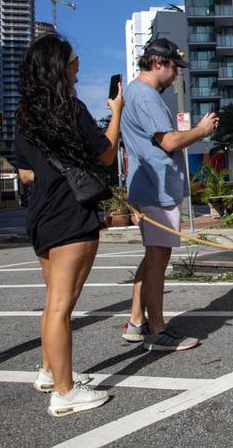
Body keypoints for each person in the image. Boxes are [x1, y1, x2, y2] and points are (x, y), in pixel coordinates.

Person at [15, 34, 123, 417]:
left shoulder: (26, 114)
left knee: (52, 303)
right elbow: (106, 154)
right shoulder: (71, 109)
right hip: (72, 215)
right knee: (62, 306)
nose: (79, 66)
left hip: (41, 215)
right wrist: (117, 111)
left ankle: (49, 371)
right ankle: (63, 392)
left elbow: (24, 170)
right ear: (59, 66)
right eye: (75, 61)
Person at [121, 38, 218, 351]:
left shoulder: (137, 92)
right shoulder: (145, 95)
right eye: (175, 67)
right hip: (156, 188)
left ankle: (137, 322)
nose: (177, 74)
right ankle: (158, 330)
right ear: (159, 63)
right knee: (158, 259)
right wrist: (201, 131)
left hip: (151, 186)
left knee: (153, 256)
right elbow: (169, 142)